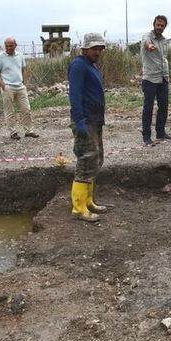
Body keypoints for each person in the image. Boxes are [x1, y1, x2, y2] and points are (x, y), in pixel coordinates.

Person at [67, 33, 108, 222]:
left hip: (95, 120)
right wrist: (80, 120)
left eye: (100, 49)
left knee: (96, 159)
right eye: (94, 49)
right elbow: (74, 95)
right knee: (86, 160)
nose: (97, 52)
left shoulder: (92, 65)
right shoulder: (78, 65)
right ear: (85, 49)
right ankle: (78, 207)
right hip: (85, 120)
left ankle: (88, 201)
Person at [0, 37, 39, 140]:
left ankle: (28, 131)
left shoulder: (20, 56)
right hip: (8, 87)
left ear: (15, 45)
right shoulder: (0, 57)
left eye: (11, 45)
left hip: (20, 86)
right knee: (10, 111)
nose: (9, 48)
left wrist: (24, 82)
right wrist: (2, 85)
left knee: (26, 109)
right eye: (7, 46)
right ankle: (13, 132)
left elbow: (24, 69)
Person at [141, 15, 171, 145]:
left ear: (165, 27)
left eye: (162, 25)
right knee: (148, 108)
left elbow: (164, 58)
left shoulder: (164, 40)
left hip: (163, 77)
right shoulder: (147, 37)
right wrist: (149, 46)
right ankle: (147, 136)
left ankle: (160, 132)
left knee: (163, 106)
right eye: (158, 25)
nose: (159, 27)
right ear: (154, 24)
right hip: (150, 78)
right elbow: (146, 43)